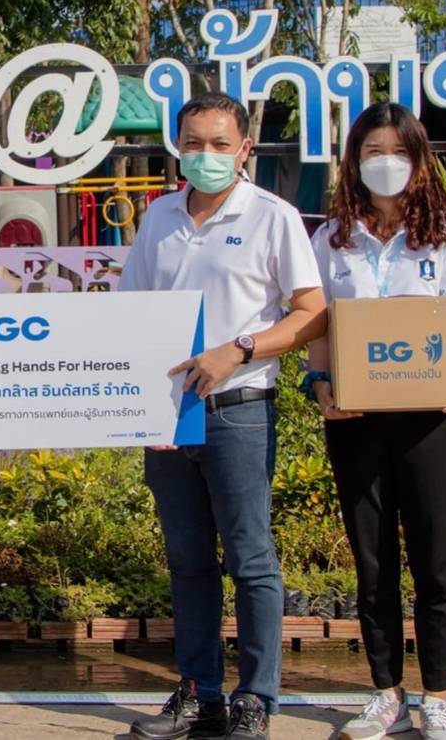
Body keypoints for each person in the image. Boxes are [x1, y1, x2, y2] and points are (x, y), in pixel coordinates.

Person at [120, 92, 327, 740]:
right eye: (192, 143)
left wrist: (238, 349)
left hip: (240, 409)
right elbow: (131, 315)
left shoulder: (272, 216)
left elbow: (311, 312)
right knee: (187, 560)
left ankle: (255, 698)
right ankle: (198, 694)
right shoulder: (158, 217)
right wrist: (139, 408)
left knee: (250, 558)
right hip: (168, 414)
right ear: (177, 147)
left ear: (243, 150)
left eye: (218, 144)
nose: (204, 155)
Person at [304, 102, 446, 740]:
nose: (385, 163)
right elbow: (319, 327)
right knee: (374, 562)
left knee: (437, 559)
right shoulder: (331, 239)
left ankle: (438, 696)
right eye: (373, 152)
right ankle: (386, 693)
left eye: (398, 152)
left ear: (419, 160)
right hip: (356, 419)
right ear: (354, 161)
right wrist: (322, 385)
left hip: (430, 420)